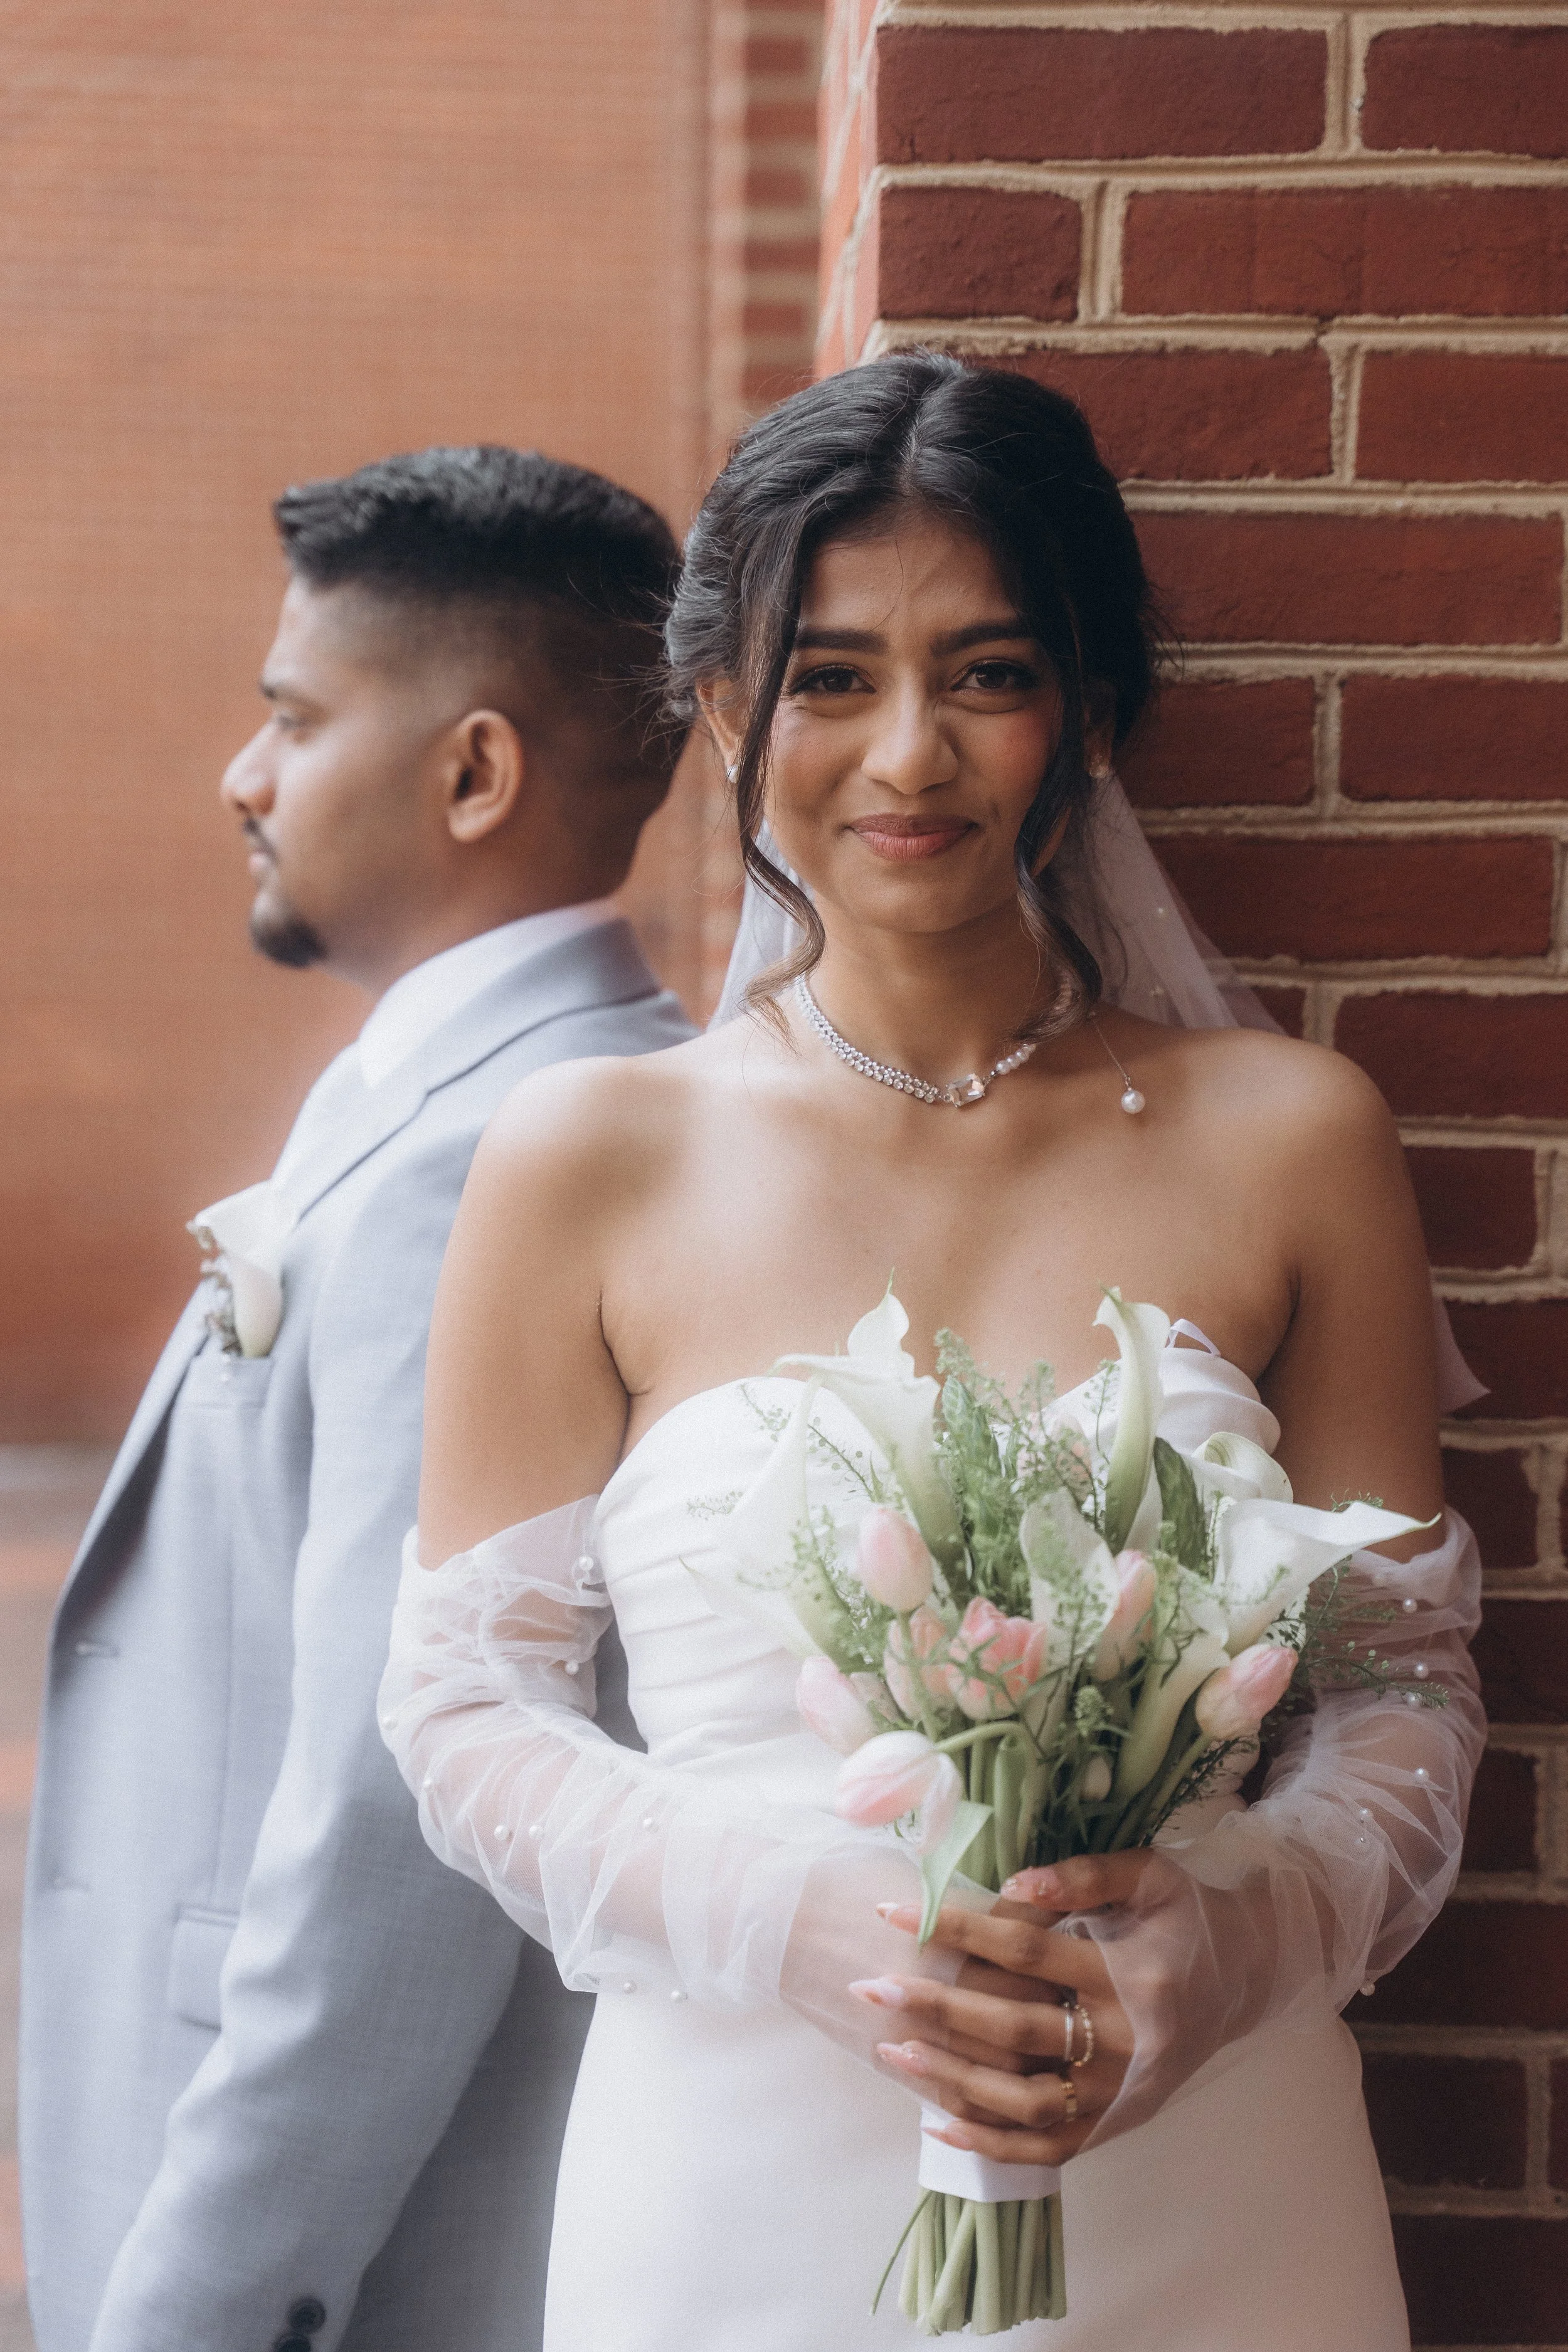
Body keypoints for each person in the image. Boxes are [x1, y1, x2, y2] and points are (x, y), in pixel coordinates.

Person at [381, 359, 1483, 2350]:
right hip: (736, 2156)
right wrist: (781, 1916)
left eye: (986, 673)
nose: (910, 754)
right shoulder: (588, 1157)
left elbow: (1398, 1684)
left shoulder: (1291, 1135)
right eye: (827, 677)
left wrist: (1236, 1948)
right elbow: (463, 1703)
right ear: (721, 705)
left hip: (1205, 2156)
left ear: (1084, 709)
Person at [21, 445, 694, 2352]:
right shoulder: (496, 1098)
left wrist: (197, 2305)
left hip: (345, 2232)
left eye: (293, 719)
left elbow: (389, 1808)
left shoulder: (476, 1159)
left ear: (473, 772)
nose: (244, 776)